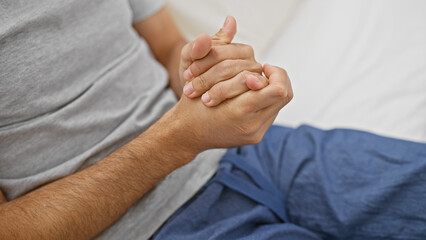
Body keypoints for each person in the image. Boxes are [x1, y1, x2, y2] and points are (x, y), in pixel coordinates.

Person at [1, 1, 425, 239]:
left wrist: (201, 73)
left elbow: (166, 45)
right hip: (150, 226)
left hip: (246, 153)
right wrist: (178, 139)